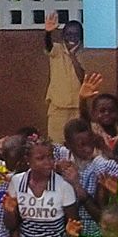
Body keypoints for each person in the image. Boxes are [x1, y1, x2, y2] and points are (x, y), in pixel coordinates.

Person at [41, 13, 86, 143]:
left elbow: (82, 77)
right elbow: (48, 46)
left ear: (81, 36)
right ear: (63, 36)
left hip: (78, 106)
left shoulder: (84, 52)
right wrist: (48, 33)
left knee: (77, 141)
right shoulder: (57, 49)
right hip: (58, 105)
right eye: (68, 34)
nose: (72, 38)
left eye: (76, 34)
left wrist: (73, 56)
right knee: (56, 141)